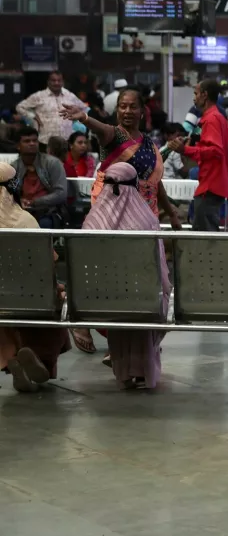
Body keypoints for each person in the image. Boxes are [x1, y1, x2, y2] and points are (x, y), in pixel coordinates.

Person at [82, 163, 172, 390]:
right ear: (134, 184)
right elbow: (160, 275)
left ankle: (123, 371)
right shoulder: (146, 220)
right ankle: (144, 369)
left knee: (119, 301)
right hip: (144, 299)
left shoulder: (92, 222)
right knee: (151, 295)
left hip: (102, 300)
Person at [61, 89, 182, 229]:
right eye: (123, 106)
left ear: (142, 112)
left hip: (144, 216)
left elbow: (155, 183)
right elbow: (101, 128)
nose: (127, 111)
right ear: (117, 110)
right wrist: (84, 118)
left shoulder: (149, 143)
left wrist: (171, 214)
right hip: (113, 215)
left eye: (133, 106)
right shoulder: (112, 135)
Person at [0, 162, 71, 393]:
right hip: (32, 298)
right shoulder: (25, 221)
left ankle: (11, 356)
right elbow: (45, 265)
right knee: (53, 296)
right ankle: (40, 358)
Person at [166, 80, 228, 232]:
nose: (194, 98)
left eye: (196, 94)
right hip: (213, 183)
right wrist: (188, 145)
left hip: (210, 184)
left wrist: (185, 150)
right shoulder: (218, 117)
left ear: (205, 95)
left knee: (205, 237)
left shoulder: (211, 119)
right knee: (204, 230)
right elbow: (225, 141)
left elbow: (216, 151)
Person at [11, 126, 68, 229]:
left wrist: (34, 202)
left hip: (48, 212)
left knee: (43, 225)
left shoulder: (52, 163)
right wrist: (20, 201)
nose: (32, 143)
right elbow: (10, 193)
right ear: (18, 146)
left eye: (34, 140)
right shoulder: (14, 168)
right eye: (27, 141)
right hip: (21, 212)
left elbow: (61, 193)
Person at [16, 71, 87, 150]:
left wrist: (76, 119)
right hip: (45, 141)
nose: (56, 83)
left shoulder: (70, 95)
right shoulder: (39, 96)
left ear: (62, 82)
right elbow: (20, 107)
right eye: (53, 80)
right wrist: (33, 116)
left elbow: (84, 108)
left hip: (66, 141)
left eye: (59, 80)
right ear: (48, 82)